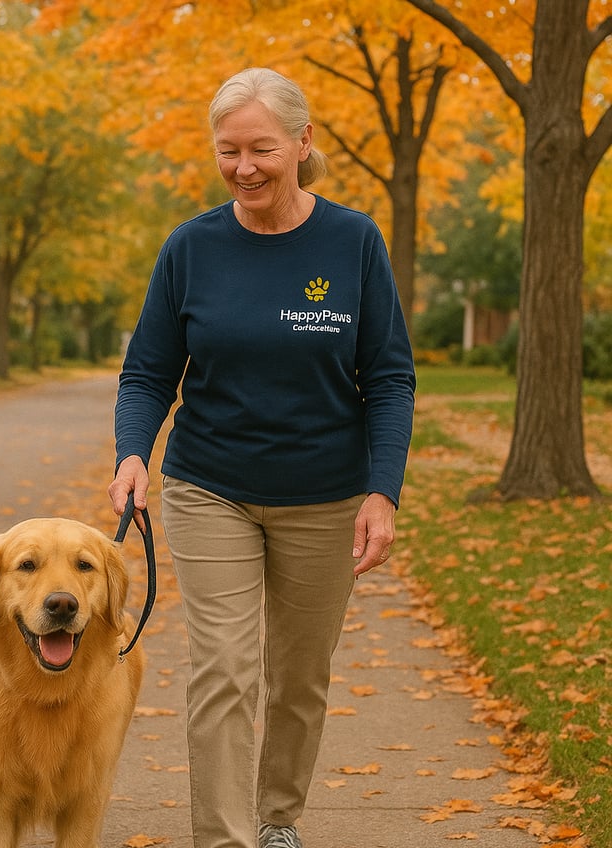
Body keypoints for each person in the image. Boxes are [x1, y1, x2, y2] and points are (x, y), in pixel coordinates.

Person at [109, 67, 415, 848]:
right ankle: (224, 837)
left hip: (325, 494)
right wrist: (132, 454)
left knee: (299, 678)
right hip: (212, 485)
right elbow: (149, 370)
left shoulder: (353, 241)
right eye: (229, 150)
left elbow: (388, 376)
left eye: (262, 149)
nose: (244, 166)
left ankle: (278, 818)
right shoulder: (191, 247)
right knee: (223, 669)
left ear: (303, 142)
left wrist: (382, 492)